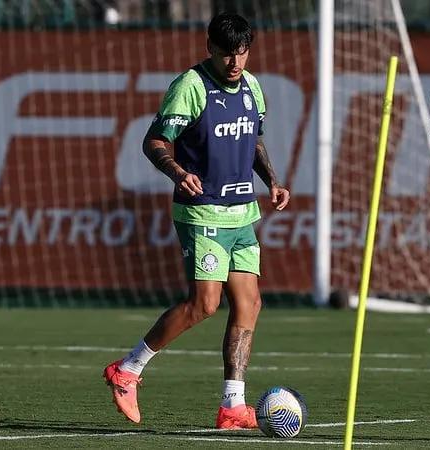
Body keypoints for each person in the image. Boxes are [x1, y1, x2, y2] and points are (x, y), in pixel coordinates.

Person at [103, 13, 290, 429]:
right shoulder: (190, 87)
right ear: (211, 49)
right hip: (202, 211)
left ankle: (232, 406)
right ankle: (128, 369)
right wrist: (176, 171)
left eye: (241, 53)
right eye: (227, 54)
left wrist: (273, 181)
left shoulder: (252, 86)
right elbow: (154, 141)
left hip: (243, 213)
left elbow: (253, 139)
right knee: (204, 304)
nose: (234, 63)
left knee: (249, 303)